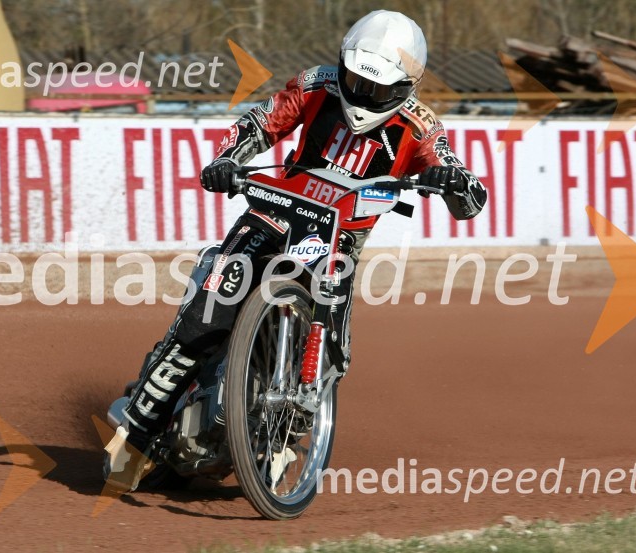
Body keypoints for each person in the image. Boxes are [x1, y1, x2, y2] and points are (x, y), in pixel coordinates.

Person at [104, 9, 487, 491]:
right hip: (274, 212)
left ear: (405, 87)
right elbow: (260, 123)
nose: (361, 96)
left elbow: (469, 196)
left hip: (339, 240)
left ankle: (284, 438)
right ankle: (134, 437)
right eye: (354, 80)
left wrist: (452, 180)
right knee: (206, 318)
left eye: (377, 89)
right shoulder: (315, 84)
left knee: (334, 355)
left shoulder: (421, 126)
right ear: (342, 64)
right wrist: (226, 160)